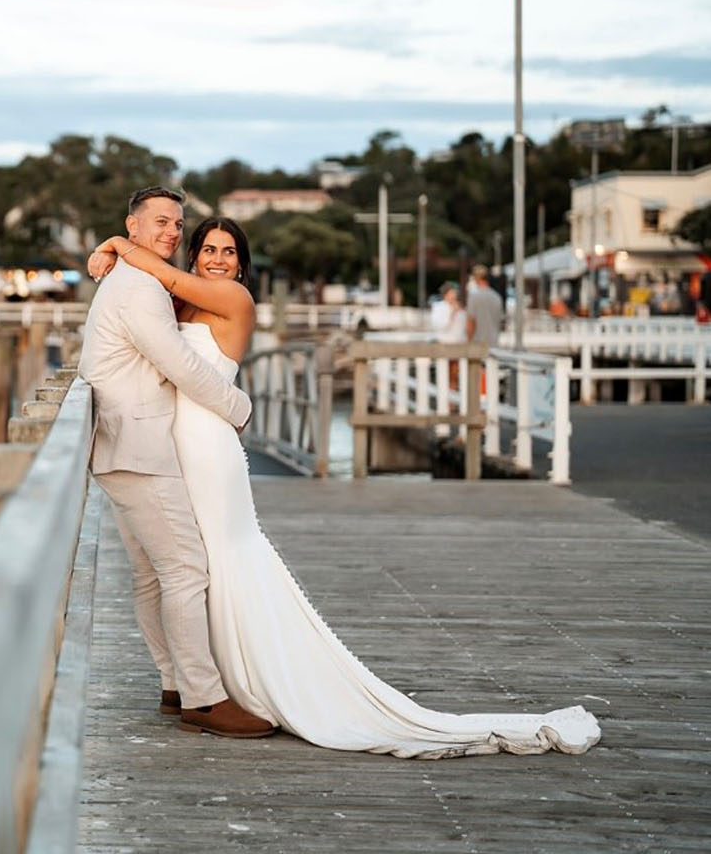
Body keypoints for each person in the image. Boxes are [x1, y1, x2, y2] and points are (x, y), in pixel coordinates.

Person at [88, 216, 600, 757]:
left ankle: (242, 682)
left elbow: (162, 280)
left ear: (242, 264)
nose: (218, 258)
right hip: (174, 444)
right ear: (195, 255)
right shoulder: (182, 302)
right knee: (194, 564)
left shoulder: (232, 298)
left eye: (230, 251)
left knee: (223, 556)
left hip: (210, 444)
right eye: (209, 249)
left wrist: (119, 244)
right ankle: (202, 682)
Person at [77, 187, 274, 739]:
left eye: (177, 224)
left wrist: (113, 246)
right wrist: (239, 405)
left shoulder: (143, 280)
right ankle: (203, 698)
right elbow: (179, 363)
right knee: (184, 568)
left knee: (156, 574)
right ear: (134, 225)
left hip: (142, 443)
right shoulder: (140, 288)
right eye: (159, 222)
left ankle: (175, 684)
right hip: (141, 446)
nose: (170, 231)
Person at [466, 265, 504, 346]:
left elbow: (471, 321)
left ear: (476, 278)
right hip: (494, 342)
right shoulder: (496, 296)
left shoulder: (473, 295)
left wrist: (468, 341)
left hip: (477, 343)